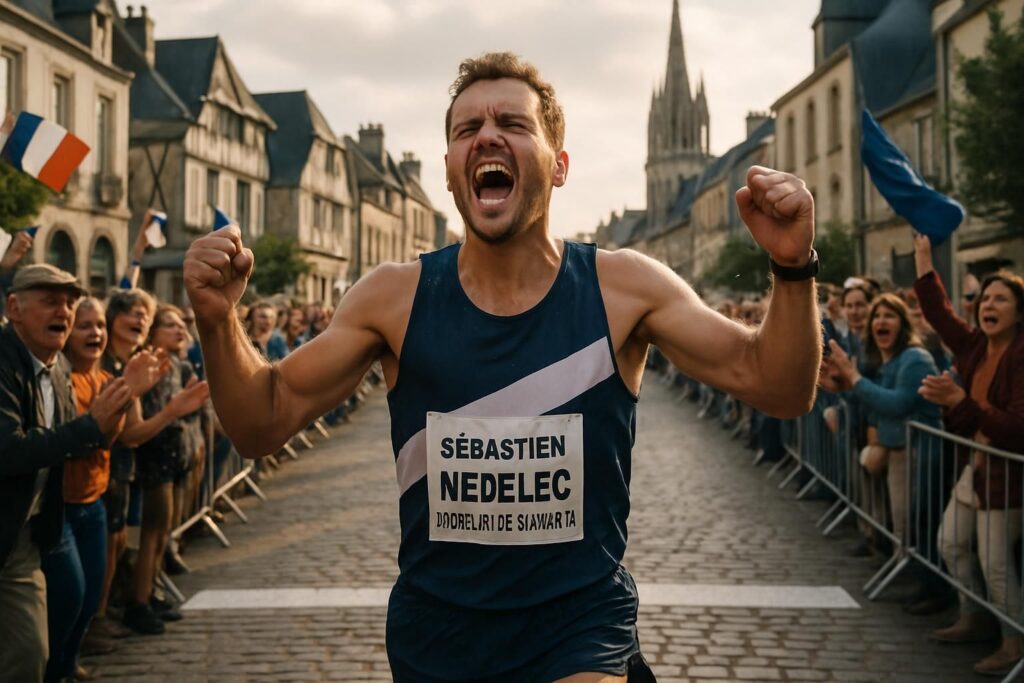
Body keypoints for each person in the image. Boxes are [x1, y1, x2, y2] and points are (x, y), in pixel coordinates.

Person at [184, 52, 820, 682]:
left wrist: (793, 268)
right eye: (468, 129)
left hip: (580, 627)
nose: (487, 136)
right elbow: (262, 421)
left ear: (559, 165)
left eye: (513, 124)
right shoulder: (392, 297)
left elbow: (779, 387)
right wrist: (217, 321)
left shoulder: (625, 287)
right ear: (450, 170)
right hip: (439, 635)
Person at [0, 265, 132, 683]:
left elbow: (74, 443)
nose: (64, 311)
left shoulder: (57, 367)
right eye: (50, 301)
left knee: (38, 641)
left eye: (69, 302)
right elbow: (10, 450)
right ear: (14, 308)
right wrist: (92, 426)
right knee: (27, 648)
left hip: (31, 530)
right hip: (8, 527)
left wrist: (113, 414)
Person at [913, 234, 1024, 676]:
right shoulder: (976, 345)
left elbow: (1017, 428)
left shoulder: (1021, 356)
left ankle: (1014, 642)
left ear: (1020, 312)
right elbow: (940, 315)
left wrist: (962, 401)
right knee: (951, 543)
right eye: (985, 298)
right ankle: (974, 615)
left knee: (996, 564)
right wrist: (924, 260)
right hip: (975, 469)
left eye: (1001, 299)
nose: (987, 305)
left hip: (1008, 479)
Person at [44, 297, 168, 681]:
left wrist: (127, 392)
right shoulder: (58, 378)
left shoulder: (103, 379)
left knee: (90, 597)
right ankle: (54, 669)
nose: (95, 333)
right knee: (70, 594)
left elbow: (108, 440)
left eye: (98, 325)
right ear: (68, 334)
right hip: (63, 505)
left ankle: (67, 664)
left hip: (94, 501)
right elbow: (77, 440)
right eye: (85, 326)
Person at [125, 305, 209, 634]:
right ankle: (139, 601)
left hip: (174, 457)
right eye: (170, 325)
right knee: (151, 533)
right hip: (153, 459)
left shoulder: (177, 364)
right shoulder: (148, 364)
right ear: (153, 332)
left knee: (164, 532)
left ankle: (153, 589)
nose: (180, 330)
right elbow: (153, 412)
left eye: (180, 325)